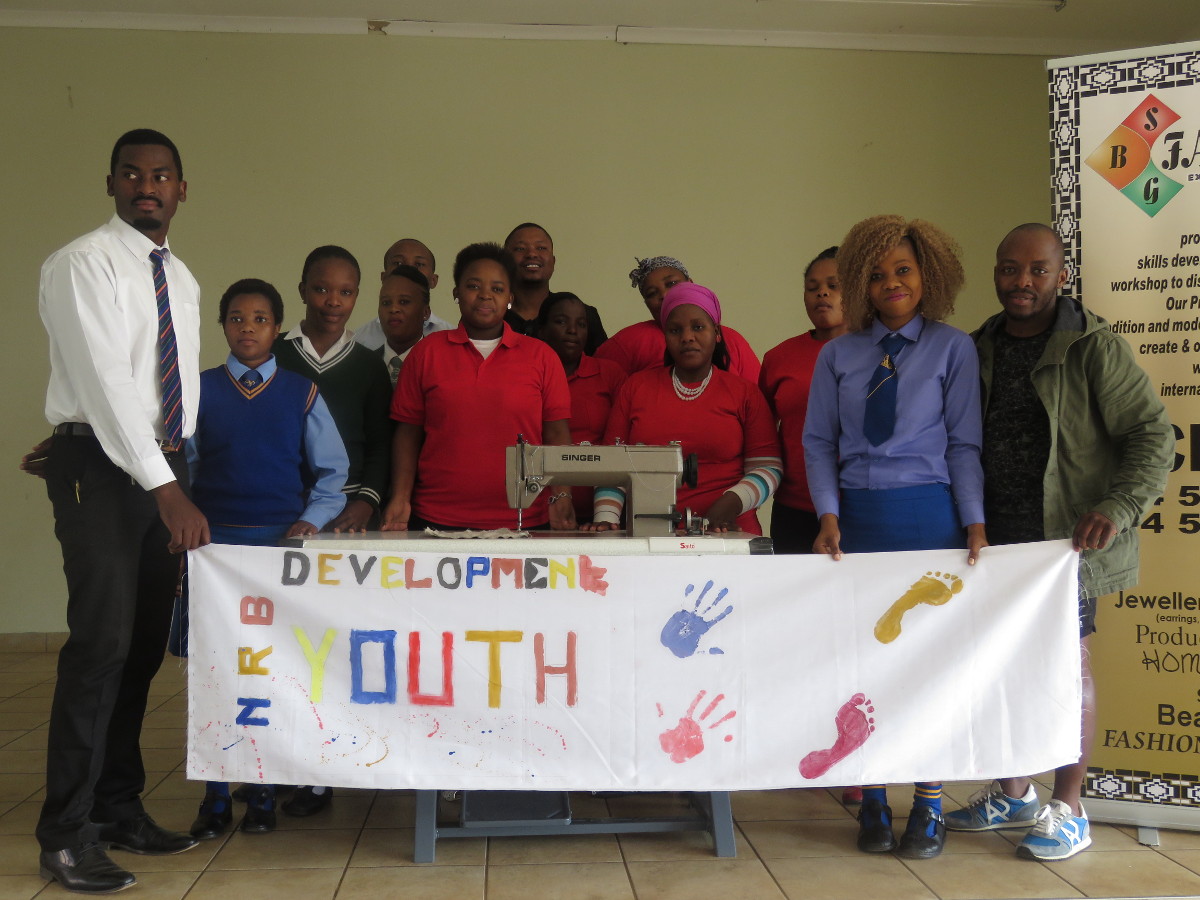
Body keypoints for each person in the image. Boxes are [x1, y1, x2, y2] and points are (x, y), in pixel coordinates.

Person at [943, 223, 1173, 860]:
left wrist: (1119, 506)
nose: (1022, 281)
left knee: (1067, 666)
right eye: (1009, 268)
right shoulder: (979, 345)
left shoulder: (1092, 347)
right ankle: (1014, 791)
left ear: (1061, 275)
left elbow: (1153, 435)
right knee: (998, 663)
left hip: (1065, 544)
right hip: (993, 539)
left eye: (1038, 270)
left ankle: (1070, 806)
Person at [31, 129, 206, 893]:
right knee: (99, 646)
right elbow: (104, 383)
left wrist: (175, 472)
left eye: (161, 176)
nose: (147, 186)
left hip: (158, 463)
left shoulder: (182, 278)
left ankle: (116, 807)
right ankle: (65, 835)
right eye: (132, 174)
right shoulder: (83, 263)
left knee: (140, 647)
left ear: (181, 190)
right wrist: (165, 488)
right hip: (108, 474)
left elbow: (166, 389)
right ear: (111, 184)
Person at [804, 215, 986, 860]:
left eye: (903, 270)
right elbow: (819, 442)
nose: (891, 283)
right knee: (865, 664)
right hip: (857, 521)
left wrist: (973, 521)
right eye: (877, 274)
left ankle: (929, 803)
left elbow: (963, 443)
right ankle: (874, 798)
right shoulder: (838, 354)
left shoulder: (952, 348)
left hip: (930, 518)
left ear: (927, 273)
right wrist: (828, 514)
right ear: (860, 282)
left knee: (927, 663)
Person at [185, 278, 348, 839]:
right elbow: (183, 466)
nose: (247, 328)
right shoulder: (199, 390)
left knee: (272, 671)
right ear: (222, 326)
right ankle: (213, 795)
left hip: (278, 552)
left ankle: (261, 790)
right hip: (215, 552)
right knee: (214, 671)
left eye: (259, 319)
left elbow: (333, 472)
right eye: (236, 318)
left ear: (278, 328)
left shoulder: (301, 393)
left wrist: (312, 519)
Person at [381, 242, 574, 532]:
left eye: (497, 288)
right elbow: (408, 435)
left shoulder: (542, 356)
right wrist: (400, 497)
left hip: (525, 520)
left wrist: (562, 496)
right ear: (456, 292)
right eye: (473, 286)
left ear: (510, 297)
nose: (485, 295)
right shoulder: (426, 353)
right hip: (435, 519)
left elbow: (556, 435)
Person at [588, 283, 781, 534]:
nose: (687, 337)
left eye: (698, 327)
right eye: (675, 330)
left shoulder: (745, 393)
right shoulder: (635, 388)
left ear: (717, 333)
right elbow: (612, 466)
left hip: (729, 531)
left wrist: (731, 503)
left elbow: (768, 467)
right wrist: (606, 519)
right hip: (649, 533)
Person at [273, 245, 392, 536]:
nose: (334, 301)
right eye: (321, 289)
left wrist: (367, 501)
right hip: (280, 503)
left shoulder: (369, 365)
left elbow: (380, 444)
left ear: (356, 296)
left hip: (348, 511)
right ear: (302, 291)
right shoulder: (272, 354)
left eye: (346, 292)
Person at [759, 246, 847, 554]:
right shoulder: (779, 358)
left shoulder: (877, 353)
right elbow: (762, 437)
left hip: (860, 506)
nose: (822, 293)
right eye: (813, 287)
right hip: (794, 508)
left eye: (834, 285)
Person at [534, 291, 627, 523]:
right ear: (541, 330)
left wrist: (606, 515)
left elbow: (621, 446)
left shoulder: (610, 374)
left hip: (603, 515)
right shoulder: (526, 375)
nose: (573, 330)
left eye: (581, 324)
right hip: (538, 511)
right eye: (561, 322)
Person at [596, 256, 761, 383]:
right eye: (652, 293)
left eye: (672, 283)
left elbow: (757, 398)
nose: (664, 295)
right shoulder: (628, 342)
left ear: (692, 284)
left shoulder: (732, 339)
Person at [502, 222, 607, 354]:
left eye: (541, 248)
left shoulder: (583, 316)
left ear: (553, 261)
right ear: (504, 261)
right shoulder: (491, 315)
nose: (532, 254)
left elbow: (602, 363)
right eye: (520, 248)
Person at [354, 238, 452, 349]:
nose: (408, 269)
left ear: (433, 280)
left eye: (419, 264)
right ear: (384, 277)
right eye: (398, 263)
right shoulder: (360, 341)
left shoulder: (450, 339)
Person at [374, 265, 434, 387]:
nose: (393, 309)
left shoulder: (440, 364)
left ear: (426, 312)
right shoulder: (362, 365)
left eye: (404, 302)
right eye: (386, 303)